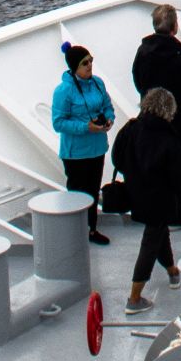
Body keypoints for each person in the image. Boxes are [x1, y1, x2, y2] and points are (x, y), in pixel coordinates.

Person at [130, 3, 181, 225]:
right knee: (177, 167)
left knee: (153, 165)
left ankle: (152, 211)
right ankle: (175, 212)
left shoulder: (143, 52)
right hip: (178, 120)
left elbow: (138, 80)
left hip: (149, 119)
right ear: (174, 26)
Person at [118, 86, 181, 310]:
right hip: (160, 197)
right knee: (151, 240)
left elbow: (117, 157)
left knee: (158, 231)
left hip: (136, 193)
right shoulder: (168, 138)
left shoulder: (132, 128)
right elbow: (179, 175)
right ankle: (134, 298)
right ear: (169, 109)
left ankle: (173, 272)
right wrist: (178, 200)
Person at [51, 43, 118, 245]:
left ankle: (91, 229)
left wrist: (109, 119)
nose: (89, 65)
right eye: (84, 63)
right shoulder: (64, 91)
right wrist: (85, 127)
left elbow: (107, 105)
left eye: (90, 61)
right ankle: (75, 231)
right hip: (76, 154)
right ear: (74, 67)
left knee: (92, 189)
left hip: (96, 149)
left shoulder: (97, 83)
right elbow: (58, 122)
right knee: (78, 193)